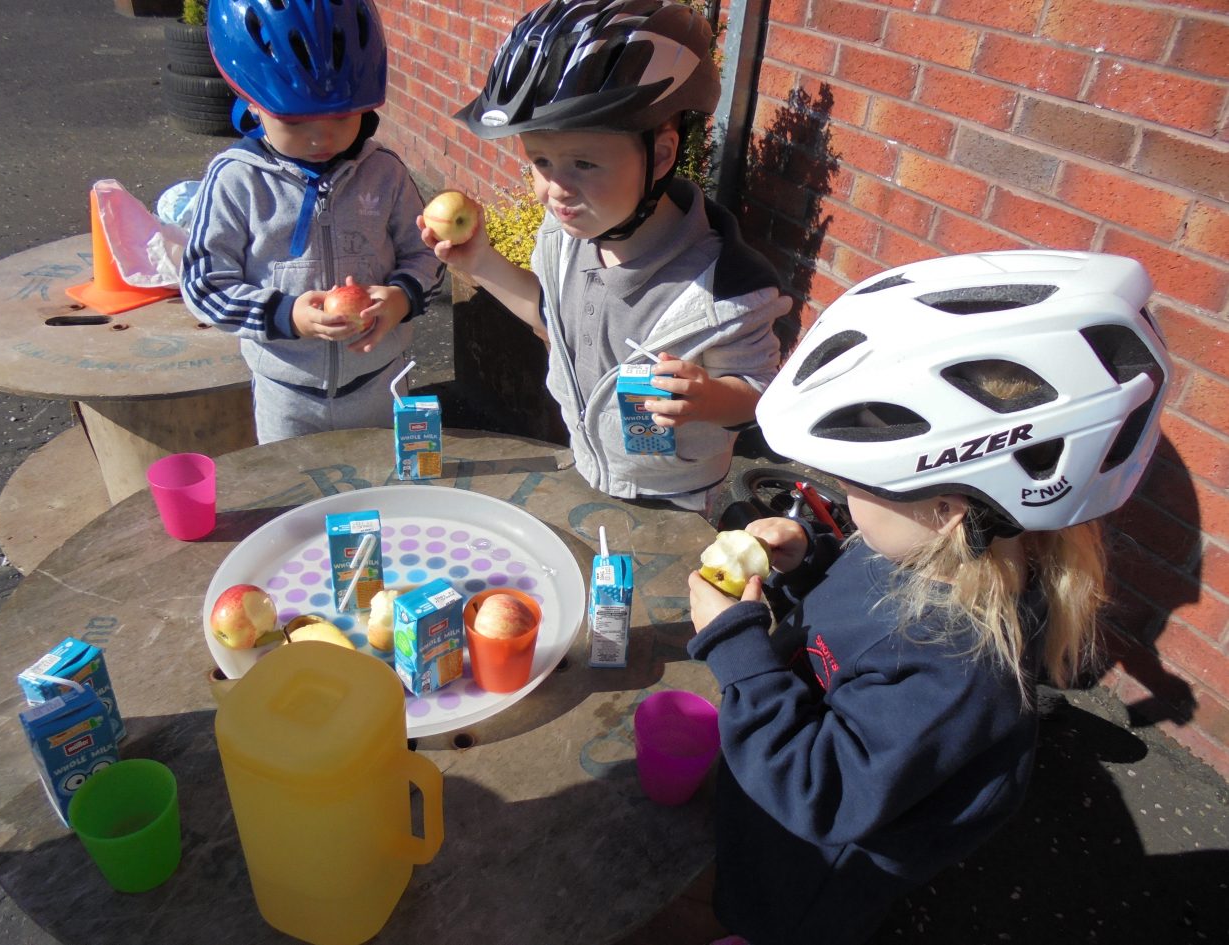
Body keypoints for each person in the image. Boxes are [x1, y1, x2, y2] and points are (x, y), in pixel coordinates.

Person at [686, 251, 1172, 945]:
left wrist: (736, 648)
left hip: (813, 869)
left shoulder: (959, 671)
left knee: (773, 919)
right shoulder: (931, 553)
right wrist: (808, 561)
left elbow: (821, 794)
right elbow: (856, 619)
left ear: (947, 510)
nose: (844, 499)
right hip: (782, 772)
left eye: (858, 484)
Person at [421, 0, 790, 513]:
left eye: (584, 163)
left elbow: (760, 396)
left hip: (678, 497)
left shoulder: (726, 289)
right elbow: (552, 319)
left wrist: (711, 398)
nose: (556, 189)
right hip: (586, 469)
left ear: (661, 155)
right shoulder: (564, 237)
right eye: (540, 161)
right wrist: (478, 260)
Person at [182, 0, 444, 443]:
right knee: (295, 484)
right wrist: (286, 315)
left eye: (341, 115)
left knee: (381, 480)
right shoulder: (236, 179)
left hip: (381, 383)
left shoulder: (384, 171)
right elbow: (204, 284)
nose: (321, 136)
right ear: (252, 103)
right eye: (295, 120)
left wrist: (402, 297)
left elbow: (426, 254)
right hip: (287, 394)